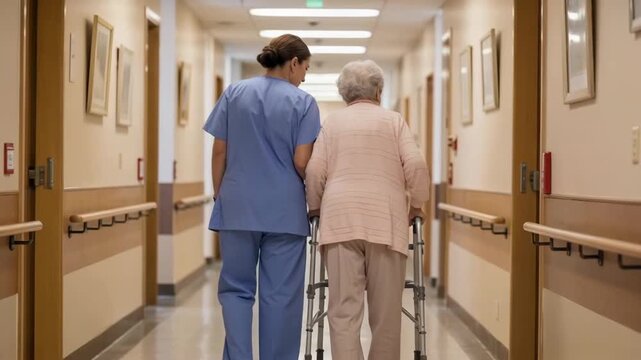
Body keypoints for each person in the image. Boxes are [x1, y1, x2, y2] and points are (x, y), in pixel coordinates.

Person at [203, 34, 321, 360]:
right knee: (281, 296)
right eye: (305, 69)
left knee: (236, 290)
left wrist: (220, 194)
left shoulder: (234, 93)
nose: (305, 77)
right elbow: (301, 161)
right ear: (293, 63)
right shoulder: (304, 103)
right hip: (285, 212)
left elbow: (219, 151)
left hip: (237, 207)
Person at [305, 59, 430, 360]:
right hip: (386, 224)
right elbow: (415, 165)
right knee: (386, 316)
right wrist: (416, 204)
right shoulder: (393, 121)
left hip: (339, 223)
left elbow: (314, 171)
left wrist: (316, 207)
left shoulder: (331, 123)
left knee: (343, 313)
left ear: (344, 93)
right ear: (378, 91)